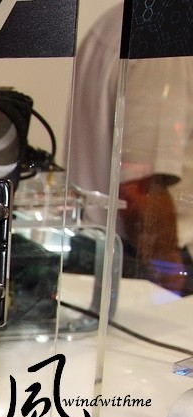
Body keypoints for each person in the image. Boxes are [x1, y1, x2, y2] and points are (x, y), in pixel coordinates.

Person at [69, 3, 193, 294]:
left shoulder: (124, 19)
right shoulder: (167, 31)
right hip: (146, 263)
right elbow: (140, 188)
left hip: (106, 253)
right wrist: (173, 282)